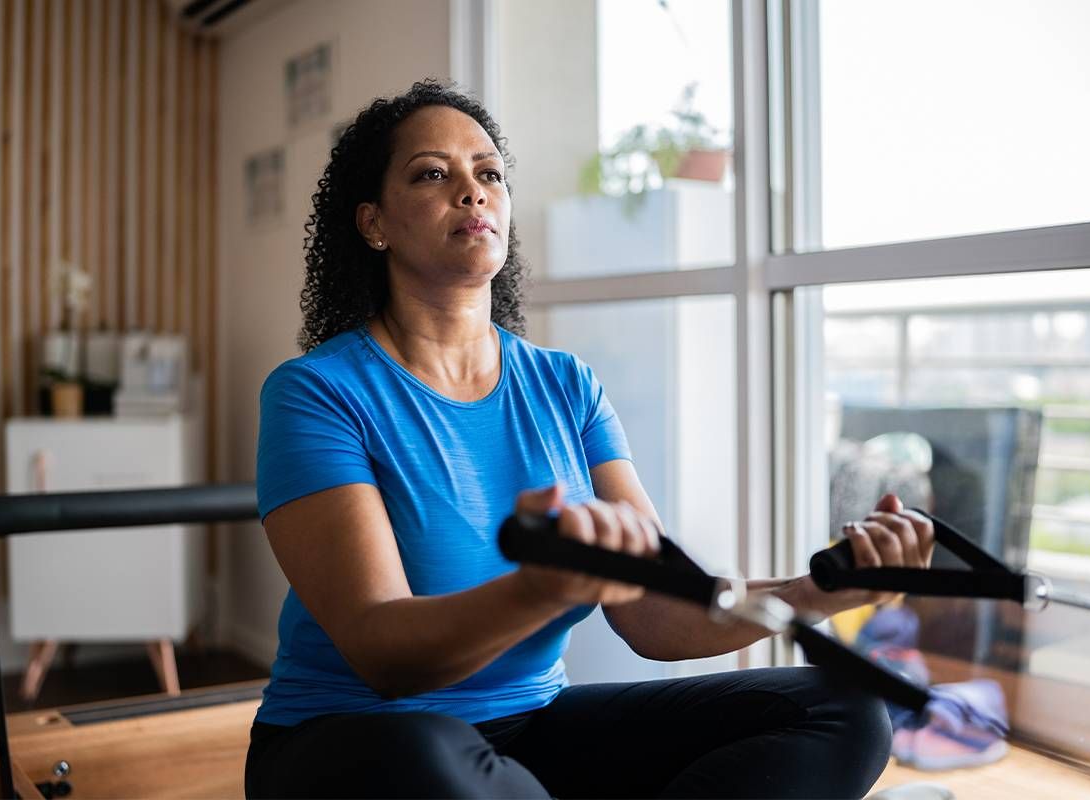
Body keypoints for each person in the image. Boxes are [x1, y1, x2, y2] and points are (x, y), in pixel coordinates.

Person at [246, 79, 934, 799]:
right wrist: (537, 591)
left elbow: (655, 612)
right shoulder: (317, 393)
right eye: (431, 173)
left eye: (488, 174)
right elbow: (385, 656)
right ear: (374, 223)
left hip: (527, 735)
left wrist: (817, 590)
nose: (473, 192)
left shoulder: (566, 386)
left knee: (844, 709)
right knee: (430, 750)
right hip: (355, 743)